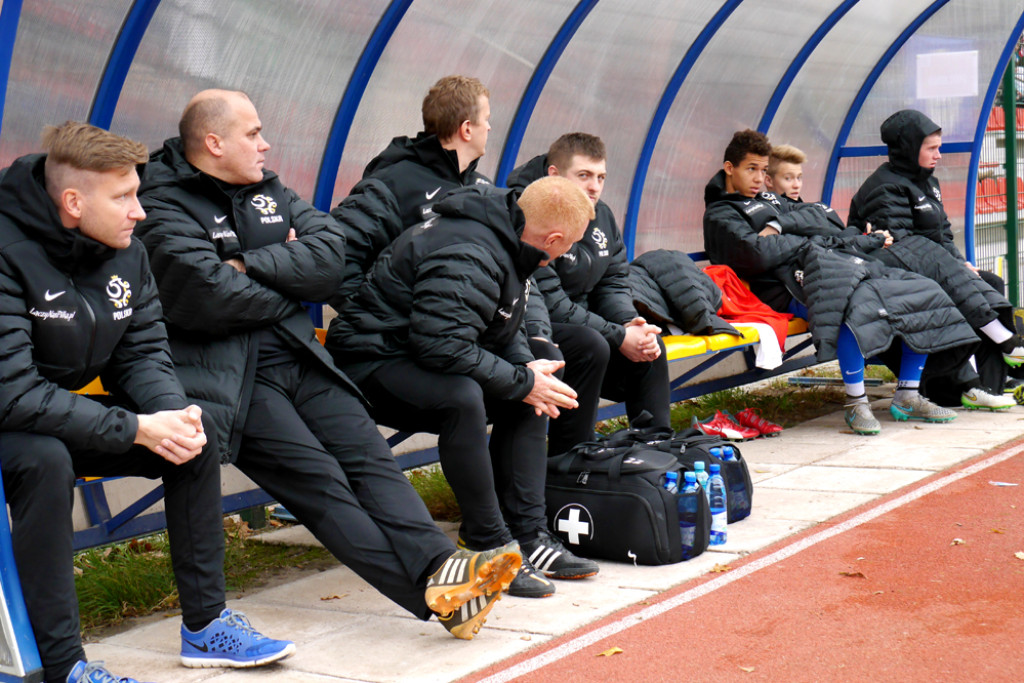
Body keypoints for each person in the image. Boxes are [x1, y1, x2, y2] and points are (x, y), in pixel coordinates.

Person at [135, 90, 521, 643]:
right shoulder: (161, 201)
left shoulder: (268, 187)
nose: (265, 144)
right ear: (213, 143)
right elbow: (208, 294)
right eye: (253, 134)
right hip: (234, 377)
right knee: (323, 486)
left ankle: (443, 566)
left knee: (369, 459)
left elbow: (331, 257)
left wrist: (248, 267)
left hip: (300, 354)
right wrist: (287, 282)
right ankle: (437, 599)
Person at [0, 121, 297, 683]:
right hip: (12, 418)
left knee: (192, 437)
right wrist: (134, 429)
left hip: (52, 413)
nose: (139, 210)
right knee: (45, 460)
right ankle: (63, 668)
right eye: (123, 197)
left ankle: (207, 628)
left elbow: (142, 355)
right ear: (72, 201)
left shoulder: (126, 252)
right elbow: (11, 393)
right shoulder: (6, 249)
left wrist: (170, 415)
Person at [327, 177, 601, 599]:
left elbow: (499, 323)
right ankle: (487, 541)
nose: (569, 254)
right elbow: (440, 345)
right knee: (464, 399)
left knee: (534, 388)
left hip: (418, 354)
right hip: (371, 360)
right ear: (553, 238)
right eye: (571, 245)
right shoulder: (470, 251)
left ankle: (529, 535)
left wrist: (526, 368)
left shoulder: (506, 238)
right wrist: (521, 380)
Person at [704, 129, 980, 435]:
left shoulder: (769, 200)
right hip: (779, 288)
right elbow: (757, 255)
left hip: (826, 267)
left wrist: (782, 228)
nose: (758, 178)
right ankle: (855, 402)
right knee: (852, 307)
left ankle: (908, 394)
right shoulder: (721, 213)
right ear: (730, 168)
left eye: (763, 171)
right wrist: (806, 240)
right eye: (751, 169)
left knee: (921, 291)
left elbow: (818, 221)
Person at [768, 143, 1014, 411]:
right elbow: (822, 248)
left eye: (799, 177)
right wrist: (867, 239)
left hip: (865, 264)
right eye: (788, 178)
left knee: (972, 284)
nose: (795, 184)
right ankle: (958, 383)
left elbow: (940, 232)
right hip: (841, 275)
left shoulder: (817, 208)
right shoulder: (776, 215)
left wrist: (957, 262)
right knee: (918, 295)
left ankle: (985, 381)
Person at [505, 133, 671, 454]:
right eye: (583, 176)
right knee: (591, 345)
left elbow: (613, 281)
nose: (594, 186)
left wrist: (629, 324)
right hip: (535, 332)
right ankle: (572, 457)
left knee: (652, 346)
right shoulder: (528, 212)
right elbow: (549, 303)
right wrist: (617, 335)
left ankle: (656, 448)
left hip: (589, 331)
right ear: (554, 174)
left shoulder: (602, 215)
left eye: (600, 177)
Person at [848, 109, 1024, 404]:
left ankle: (991, 383)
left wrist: (960, 261)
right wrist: (952, 266)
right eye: (931, 147)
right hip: (898, 276)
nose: (938, 154)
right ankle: (965, 381)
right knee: (947, 291)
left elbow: (942, 234)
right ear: (908, 148)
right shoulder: (883, 187)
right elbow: (899, 245)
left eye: (939, 147)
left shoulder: (928, 182)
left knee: (989, 280)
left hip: (933, 264)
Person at [332, 74, 493, 303]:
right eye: (486, 119)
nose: (489, 127)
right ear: (467, 129)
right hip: (410, 334)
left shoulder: (485, 188)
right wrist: (382, 326)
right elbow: (338, 261)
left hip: (469, 331)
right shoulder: (392, 183)